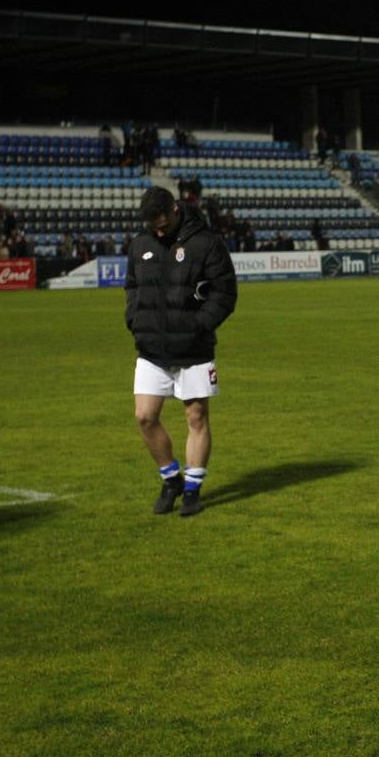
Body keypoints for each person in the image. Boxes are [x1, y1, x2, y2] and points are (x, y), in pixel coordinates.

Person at [125, 188, 237, 517]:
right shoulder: (139, 244)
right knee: (144, 417)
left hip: (194, 349)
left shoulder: (206, 242)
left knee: (196, 417)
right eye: (152, 227)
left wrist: (199, 325)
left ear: (175, 209)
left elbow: (225, 291)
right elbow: (132, 286)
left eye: (162, 225)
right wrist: (133, 318)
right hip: (151, 349)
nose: (158, 232)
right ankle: (171, 478)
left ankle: (192, 489)